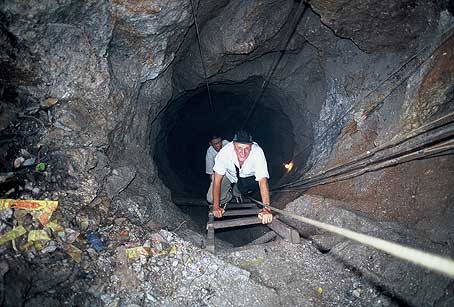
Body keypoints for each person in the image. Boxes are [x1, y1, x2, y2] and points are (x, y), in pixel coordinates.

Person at [209, 130, 273, 224]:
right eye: (239, 148)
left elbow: (262, 181)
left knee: (244, 187)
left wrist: (266, 209)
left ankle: (237, 192)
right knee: (210, 199)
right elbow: (217, 180)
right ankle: (229, 196)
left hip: (248, 178)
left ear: (251, 147)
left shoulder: (257, 152)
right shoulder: (225, 152)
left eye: (246, 148)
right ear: (234, 146)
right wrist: (216, 207)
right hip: (229, 175)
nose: (243, 152)